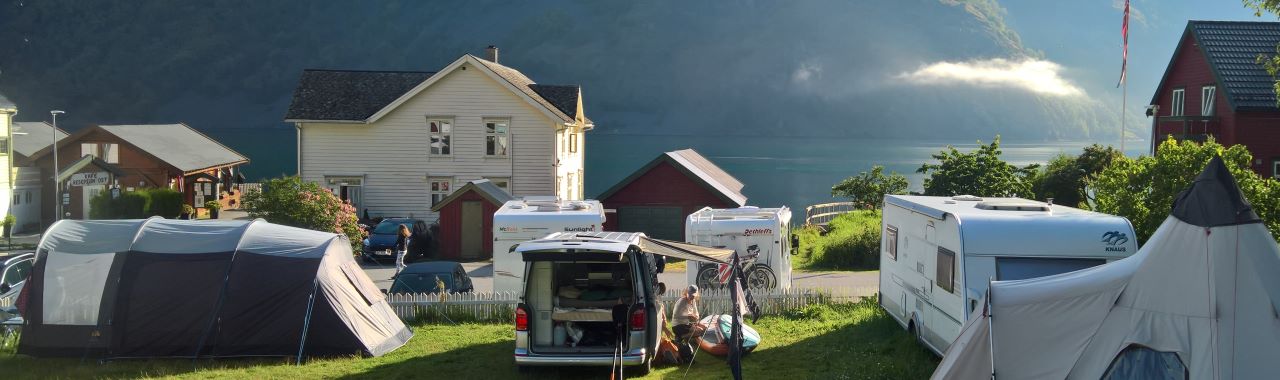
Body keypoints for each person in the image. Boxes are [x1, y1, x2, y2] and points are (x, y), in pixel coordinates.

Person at [671, 285, 705, 362]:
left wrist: (695, 318)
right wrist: (688, 316)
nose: (691, 297)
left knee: (702, 330)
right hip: (677, 325)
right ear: (687, 293)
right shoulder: (682, 301)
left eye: (693, 295)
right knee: (698, 331)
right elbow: (676, 316)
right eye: (690, 295)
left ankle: (681, 341)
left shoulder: (693, 301)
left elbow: (696, 314)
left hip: (685, 324)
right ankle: (681, 338)